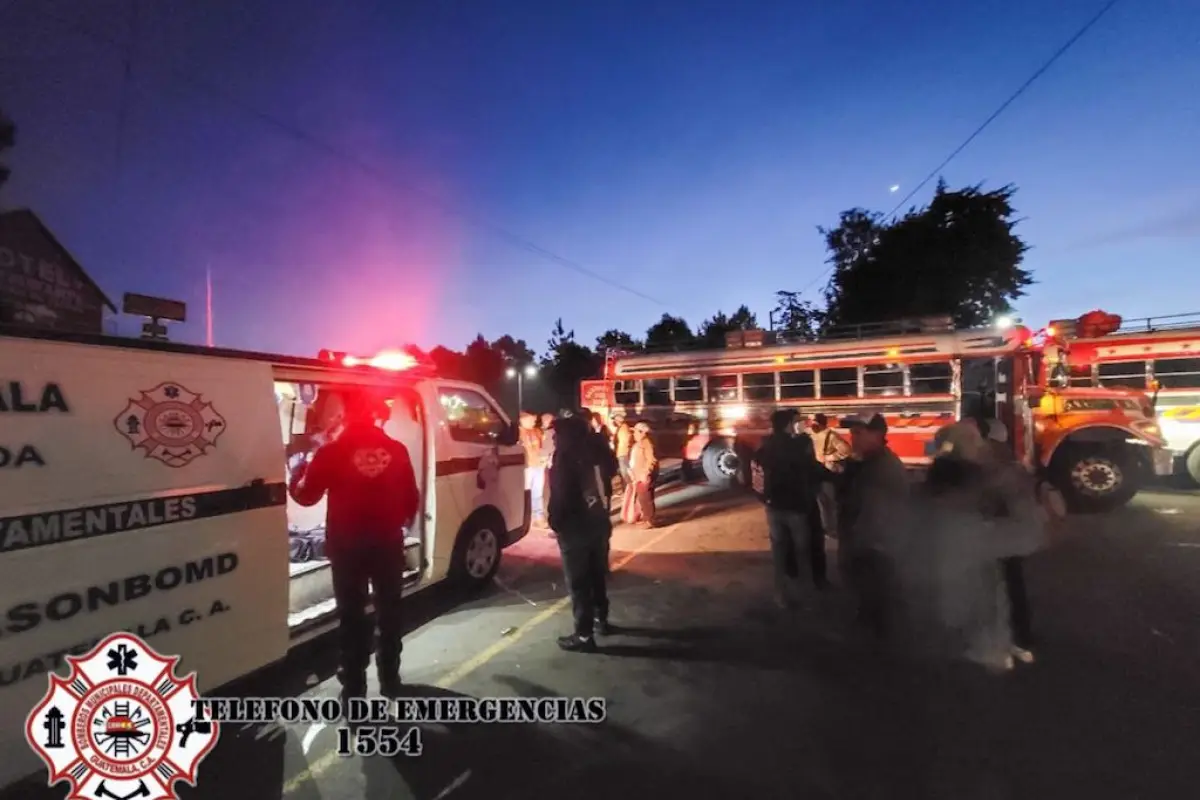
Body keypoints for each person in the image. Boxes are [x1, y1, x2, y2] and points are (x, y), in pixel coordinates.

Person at [288, 391, 420, 700]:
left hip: (348, 548)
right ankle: (390, 679)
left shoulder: (331, 451)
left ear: (344, 415)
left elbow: (306, 495)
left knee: (352, 617)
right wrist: (390, 521)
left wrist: (297, 468)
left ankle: (354, 688)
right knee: (390, 613)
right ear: (375, 414)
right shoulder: (396, 449)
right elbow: (411, 499)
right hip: (387, 544)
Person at [837, 413, 909, 638]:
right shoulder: (865, 464)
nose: (852, 439)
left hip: (873, 546)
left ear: (877, 435)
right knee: (865, 599)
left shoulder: (883, 467)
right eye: (851, 433)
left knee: (877, 600)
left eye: (858, 433)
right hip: (864, 543)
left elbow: (873, 510)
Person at [981, 419, 1046, 664]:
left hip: (1003, 540)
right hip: (1011, 540)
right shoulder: (1013, 466)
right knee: (1010, 587)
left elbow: (1001, 506)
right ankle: (1018, 638)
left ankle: (1014, 640)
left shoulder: (1002, 470)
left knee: (1004, 588)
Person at [547, 412, 613, 651]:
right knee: (597, 575)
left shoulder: (564, 458)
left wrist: (555, 521)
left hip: (575, 529)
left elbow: (561, 495)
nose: (554, 439)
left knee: (579, 582)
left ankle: (584, 635)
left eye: (556, 434)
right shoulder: (598, 451)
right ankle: (601, 620)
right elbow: (609, 478)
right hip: (600, 524)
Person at [754, 409, 825, 608]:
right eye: (795, 422)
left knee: (779, 552)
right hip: (795, 507)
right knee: (802, 551)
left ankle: (780, 595)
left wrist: (763, 498)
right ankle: (806, 593)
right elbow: (813, 469)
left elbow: (756, 472)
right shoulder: (797, 446)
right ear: (788, 424)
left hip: (773, 507)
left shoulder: (765, 446)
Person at [808, 413, 851, 538]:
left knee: (830, 502)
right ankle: (826, 528)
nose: (811, 425)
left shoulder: (831, 436)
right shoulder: (812, 435)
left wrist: (828, 457)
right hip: (816, 472)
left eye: (814, 422)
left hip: (828, 472)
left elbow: (846, 450)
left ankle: (833, 528)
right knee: (821, 503)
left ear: (821, 423)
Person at [623, 421, 658, 528]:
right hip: (638, 475)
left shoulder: (646, 444)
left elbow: (651, 460)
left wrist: (646, 473)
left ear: (643, 433)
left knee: (646, 498)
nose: (634, 434)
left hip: (643, 476)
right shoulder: (639, 444)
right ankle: (647, 518)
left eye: (636, 432)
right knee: (642, 498)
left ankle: (650, 520)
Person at [518, 412, 545, 526]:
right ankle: (524, 519)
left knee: (537, 493)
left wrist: (544, 458)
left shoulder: (537, 431)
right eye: (531, 420)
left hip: (538, 466)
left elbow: (542, 447)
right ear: (523, 420)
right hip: (526, 468)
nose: (534, 422)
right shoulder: (517, 433)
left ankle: (538, 517)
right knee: (524, 494)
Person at [612, 412, 634, 489]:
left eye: (614, 420)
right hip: (621, 453)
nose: (613, 421)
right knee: (623, 472)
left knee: (625, 473)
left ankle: (629, 488)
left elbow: (624, 441)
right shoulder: (621, 428)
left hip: (623, 453)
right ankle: (627, 489)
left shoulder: (623, 428)